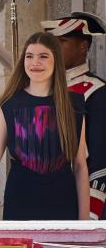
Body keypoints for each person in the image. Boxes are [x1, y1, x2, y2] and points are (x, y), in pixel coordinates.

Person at [0, 32, 90, 220]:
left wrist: (84, 221)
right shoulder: (8, 105)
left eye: (43, 56)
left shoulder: (74, 105)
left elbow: (80, 165)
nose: (35, 62)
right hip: (20, 200)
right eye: (29, 56)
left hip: (63, 201)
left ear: (56, 61)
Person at [41, 12, 106, 220]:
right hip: (43, 192)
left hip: (78, 198)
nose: (54, 48)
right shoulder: (41, 89)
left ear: (83, 47)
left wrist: (90, 213)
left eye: (62, 41)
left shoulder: (96, 91)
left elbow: (99, 160)